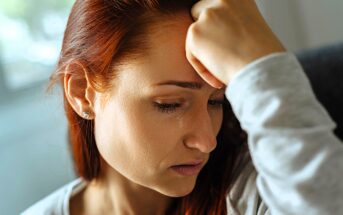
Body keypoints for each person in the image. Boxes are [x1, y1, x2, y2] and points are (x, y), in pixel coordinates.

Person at [22, 0, 343, 214]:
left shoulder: (254, 191)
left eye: (216, 102)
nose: (207, 141)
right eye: (170, 104)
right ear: (81, 91)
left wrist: (261, 63)